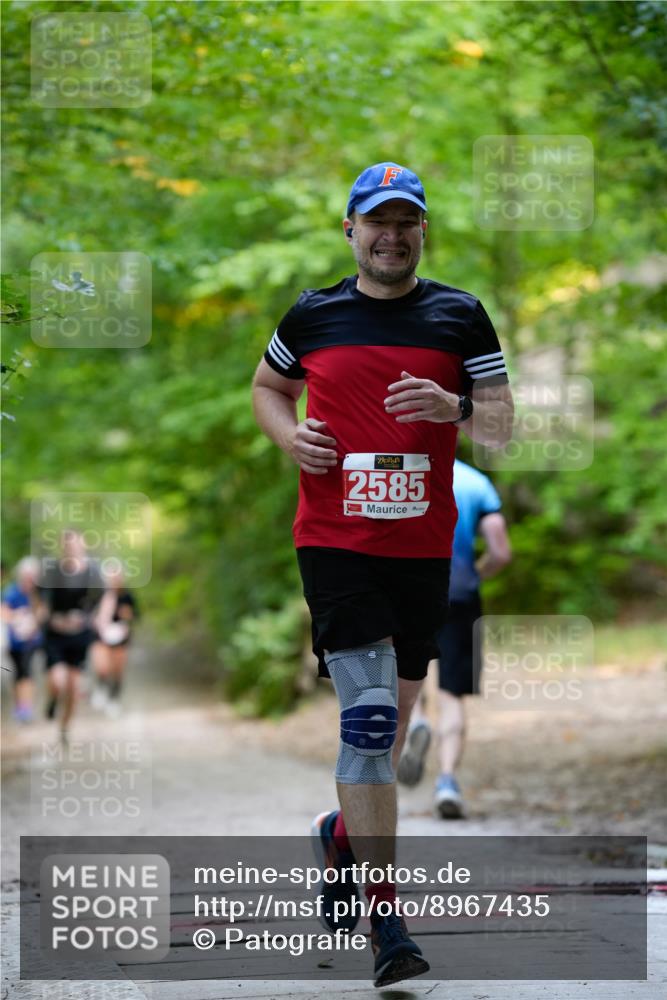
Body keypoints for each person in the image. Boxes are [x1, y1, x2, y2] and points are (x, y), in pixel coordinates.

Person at [252, 161, 512, 987]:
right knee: (366, 727)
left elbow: (502, 428)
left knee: (388, 733)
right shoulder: (313, 314)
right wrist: (288, 436)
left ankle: (339, 834)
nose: (390, 236)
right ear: (351, 230)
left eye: (405, 222)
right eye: (377, 221)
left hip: (423, 552)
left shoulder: (460, 315)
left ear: (421, 231)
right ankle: (386, 920)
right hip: (334, 543)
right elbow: (267, 388)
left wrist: (456, 410)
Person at [397, 458, 512, 818]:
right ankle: (447, 781)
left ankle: (416, 722)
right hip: (460, 594)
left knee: (409, 674)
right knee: (452, 693)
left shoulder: (405, 471)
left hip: (410, 591)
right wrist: (477, 573)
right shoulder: (477, 483)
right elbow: (500, 552)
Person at [38, 529, 104, 743]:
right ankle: (53, 699)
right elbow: (39, 598)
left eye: (75, 543)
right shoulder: (52, 571)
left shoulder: (93, 571)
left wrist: (97, 618)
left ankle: (65, 728)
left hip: (80, 634)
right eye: (68, 544)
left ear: (83, 545)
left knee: (74, 688)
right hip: (56, 634)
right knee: (58, 681)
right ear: (62, 547)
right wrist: (44, 616)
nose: (72, 548)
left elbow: (105, 597)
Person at [90, 567, 139, 718]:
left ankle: (114, 699)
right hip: (101, 636)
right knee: (102, 667)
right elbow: (89, 613)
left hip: (120, 637)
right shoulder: (98, 594)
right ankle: (101, 687)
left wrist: (128, 616)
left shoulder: (127, 596)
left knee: (117, 671)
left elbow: (136, 615)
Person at [1, 556, 43, 723]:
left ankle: (26, 707)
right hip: (14, 641)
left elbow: (42, 612)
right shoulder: (11, 592)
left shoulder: (39, 594)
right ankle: (20, 706)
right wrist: (17, 617)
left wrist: (33, 622)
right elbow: (3, 611)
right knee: (18, 673)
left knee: (27, 671)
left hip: (31, 640)